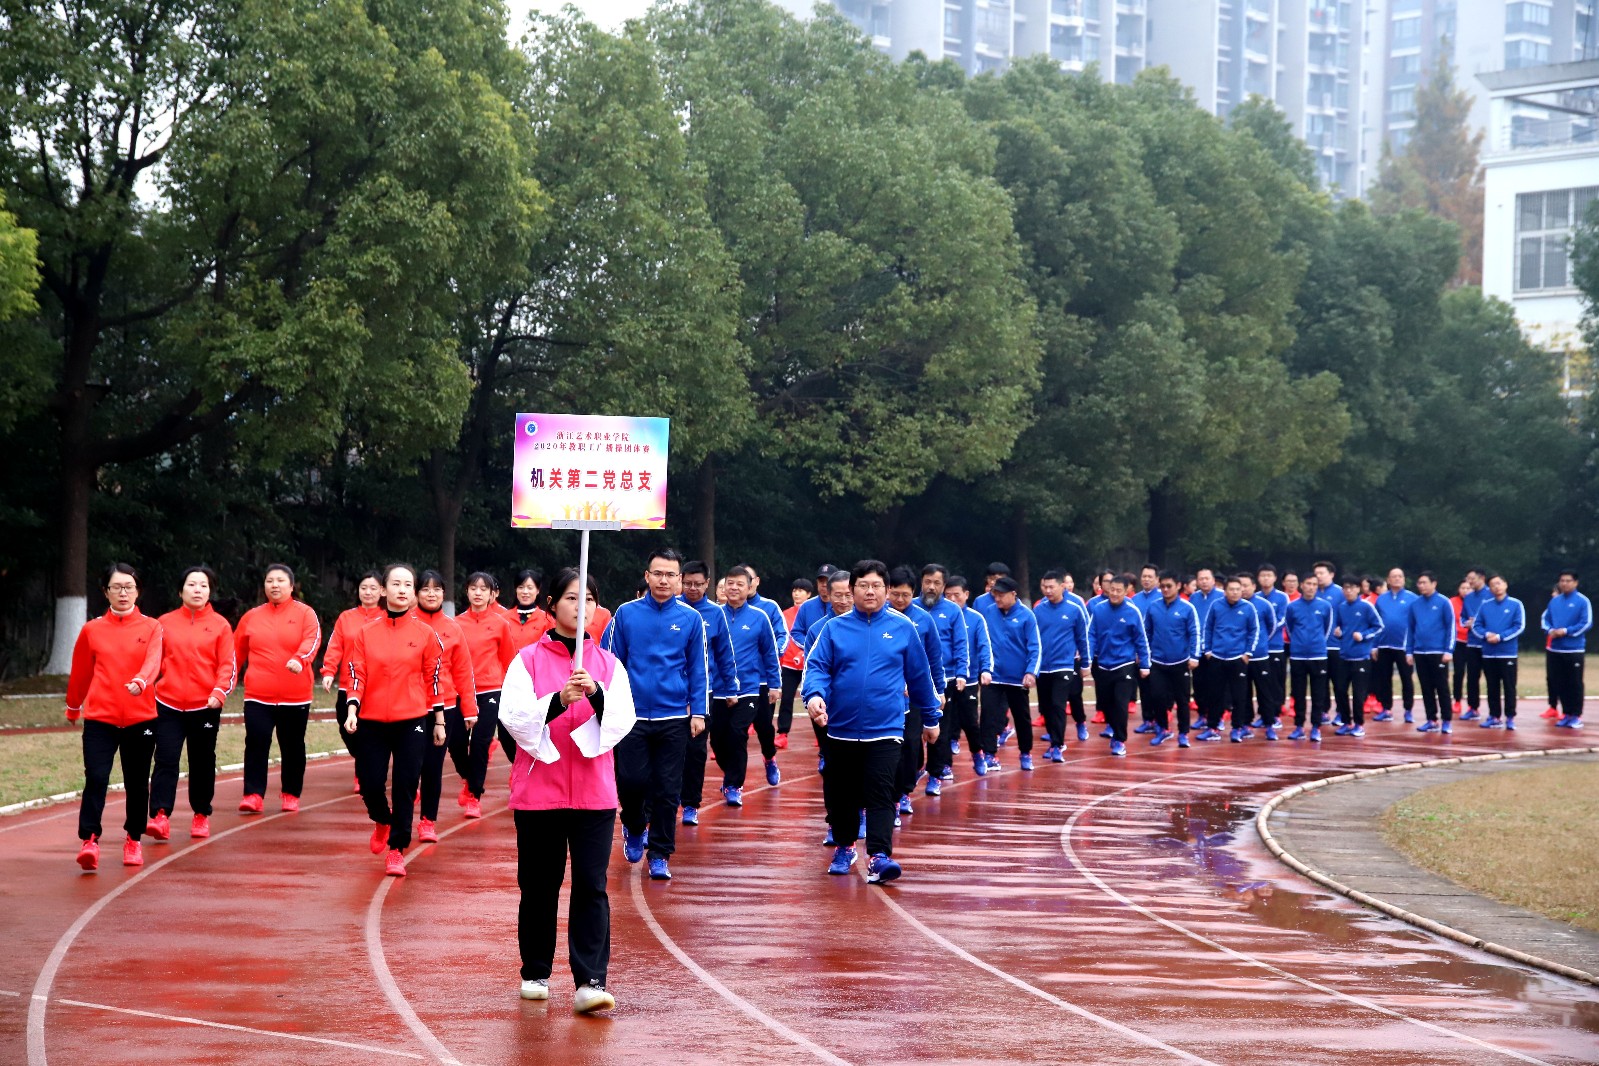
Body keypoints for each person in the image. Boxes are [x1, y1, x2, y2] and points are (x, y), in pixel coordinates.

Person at [500, 567, 635, 1014]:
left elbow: (622, 720)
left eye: (589, 599)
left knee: (592, 886)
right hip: (540, 792)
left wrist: (595, 695)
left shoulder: (608, 664)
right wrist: (558, 701)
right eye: (573, 598)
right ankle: (535, 971)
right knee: (539, 885)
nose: (582, 607)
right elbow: (514, 719)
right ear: (552, 605)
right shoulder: (527, 661)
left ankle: (591, 981)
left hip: (594, 793)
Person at [804, 560, 940, 884]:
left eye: (876, 586)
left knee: (881, 792)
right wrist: (814, 696)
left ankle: (879, 856)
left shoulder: (903, 628)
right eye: (863, 585)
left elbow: (920, 677)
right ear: (852, 590)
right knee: (842, 796)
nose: (870, 591)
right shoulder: (834, 629)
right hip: (841, 728)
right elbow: (817, 667)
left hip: (886, 729)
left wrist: (931, 717)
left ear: (887, 590)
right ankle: (845, 846)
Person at [602, 549, 707, 882]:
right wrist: (608, 706)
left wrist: (699, 712)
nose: (664, 580)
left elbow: (698, 669)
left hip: (673, 716)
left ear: (679, 580)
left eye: (670, 575)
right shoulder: (626, 614)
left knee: (668, 789)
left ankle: (660, 853)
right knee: (631, 781)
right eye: (658, 573)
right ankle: (634, 826)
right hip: (631, 716)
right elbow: (611, 663)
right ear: (647, 576)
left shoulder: (691, 619)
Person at [344, 563, 447, 877]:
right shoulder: (365, 633)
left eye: (408, 585)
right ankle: (381, 820)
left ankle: (396, 849)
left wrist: (439, 721)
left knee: (405, 785)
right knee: (370, 783)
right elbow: (357, 674)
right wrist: (352, 709)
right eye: (396, 584)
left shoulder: (425, 633)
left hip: (412, 720)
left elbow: (433, 678)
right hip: (371, 719)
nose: (402, 590)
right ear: (383, 590)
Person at [65, 563, 164, 870]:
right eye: (116, 587)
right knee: (96, 778)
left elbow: (154, 661)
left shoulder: (152, 627)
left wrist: (141, 681)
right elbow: (81, 671)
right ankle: (89, 840)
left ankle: (133, 839)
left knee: (137, 782)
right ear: (105, 592)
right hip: (100, 719)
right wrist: (73, 705)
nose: (123, 593)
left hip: (141, 718)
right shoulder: (92, 629)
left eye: (129, 587)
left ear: (138, 591)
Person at [148, 565, 236, 843]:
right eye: (191, 585)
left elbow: (228, 665)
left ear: (210, 592)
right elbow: (152, 661)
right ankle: (160, 815)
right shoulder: (163, 623)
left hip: (205, 706)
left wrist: (219, 693)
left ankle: (201, 813)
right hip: (168, 704)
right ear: (180, 591)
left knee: (202, 761)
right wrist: (145, 686)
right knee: (165, 758)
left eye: (203, 585)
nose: (197, 590)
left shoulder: (221, 626)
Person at [233, 563, 321, 814]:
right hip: (257, 695)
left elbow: (313, 639)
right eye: (270, 581)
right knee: (256, 741)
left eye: (281, 581)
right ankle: (253, 794)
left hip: (295, 696)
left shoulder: (305, 614)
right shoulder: (252, 616)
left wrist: (300, 659)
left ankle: (291, 793)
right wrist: (225, 683)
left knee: (292, 745)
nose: (275, 585)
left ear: (291, 586)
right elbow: (235, 653)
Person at [415, 571, 478, 843]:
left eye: (437, 589)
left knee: (433, 765)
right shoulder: (408, 623)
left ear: (444, 593)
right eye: (425, 589)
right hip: (411, 705)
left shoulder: (452, 628)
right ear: (416, 593)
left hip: (446, 706)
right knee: (411, 763)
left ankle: (428, 821)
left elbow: (463, 671)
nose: (431, 594)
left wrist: (470, 708)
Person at [715, 565, 783, 805]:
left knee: (738, 733)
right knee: (717, 740)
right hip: (718, 690)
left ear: (749, 587)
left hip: (749, 689)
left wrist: (775, 684)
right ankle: (730, 774)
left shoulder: (759, 616)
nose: (734, 588)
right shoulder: (713, 615)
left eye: (739, 584)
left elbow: (769, 653)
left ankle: (734, 785)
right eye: (730, 583)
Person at [679, 560, 738, 826]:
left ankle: (691, 803)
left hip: (704, 692)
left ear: (707, 584)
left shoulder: (715, 614)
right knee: (670, 750)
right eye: (688, 583)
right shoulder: (673, 608)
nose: (692, 588)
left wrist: (731, 688)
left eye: (698, 584)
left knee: (696, 750)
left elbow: (725, 654)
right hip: (672, 693)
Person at [457, 571, 519, 815]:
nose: (478, 593)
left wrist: (513, 691)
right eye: (474, 588)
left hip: (491, 689)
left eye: (483, 589)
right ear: (466, 591)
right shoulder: (456, 623)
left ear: (492, 594)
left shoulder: (500, 624)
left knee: (481, 743)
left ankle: (474, 795)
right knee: (456, 743)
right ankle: (468, 777)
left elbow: (509, 660)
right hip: (461, 690)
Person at [886, 568, 946, 812]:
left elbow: (934, 660)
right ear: (887, 591)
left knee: (911, 744)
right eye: (895, 594)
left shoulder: (923, 620)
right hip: (886, 695)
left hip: (915, 695)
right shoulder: (879, 616)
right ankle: (887, 797)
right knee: (888, 747)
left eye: (906, 595)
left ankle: (903, 793)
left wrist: (938, 691)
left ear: (914, 593)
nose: (900, 600)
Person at [321, 570, 384, 792]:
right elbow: (335, 646)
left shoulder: (387, 617)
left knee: (369, 731)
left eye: (373, 588)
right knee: (345, 726)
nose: (368, 592)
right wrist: (329, 671)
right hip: (348, 685)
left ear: (382, 591)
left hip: (376, 687)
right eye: (363, 588)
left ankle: (363, 773)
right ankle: (365, 761)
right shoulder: (346, 618)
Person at [975, 575, 1039, 772]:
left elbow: (1035, 647)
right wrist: (983, 668)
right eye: (995, 594)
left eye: (1001, 595)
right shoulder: (988, 612)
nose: (997, 599)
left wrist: (1031, 672)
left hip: (1017, 679)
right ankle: (989, 754)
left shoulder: (1027, 616)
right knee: (988, 715)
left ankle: (1025, 752)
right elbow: (982, 642)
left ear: (1013, 594)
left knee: (1022, 718)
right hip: (992, 676)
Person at [916, 564, 968, 790]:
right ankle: (915, 769)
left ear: (944, 586)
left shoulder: (953, 611)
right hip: (914, 681)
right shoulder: (910, 607)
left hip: (943, 681)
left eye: (936, 583)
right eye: (927, 582)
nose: (931, 587)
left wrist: (961, 673)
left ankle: (935, 775)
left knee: (940, 731)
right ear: (921, 583)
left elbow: (961, 644)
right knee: (913, 732)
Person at [1087, 575, 1151, 757]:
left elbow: (1141, 639)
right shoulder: (1099, 609)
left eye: (1118, 591)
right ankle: (1113, 727)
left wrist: (1145, 664)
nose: (1114, 593)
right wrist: (1087, 659)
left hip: (1125, 664)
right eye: (1112, 590)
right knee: (1106, 703)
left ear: (1126, 591)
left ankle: (1120, 739)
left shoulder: (1132, 611)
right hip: (1103, 664)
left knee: (1121, 704)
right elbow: (1091, 635)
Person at [936, 576, 991, 780]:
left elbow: (984, 646)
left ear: (966, 595)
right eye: (948, 595)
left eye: (956, 595)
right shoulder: (939, 614)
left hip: (968, 679)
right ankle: (945, 764)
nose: (952, 599)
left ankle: (977, 752)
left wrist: (986, 669)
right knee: (945, 724)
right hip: (945, 678)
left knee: (970, 722)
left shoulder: (976, 618)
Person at [1034, 570, 1089, 761]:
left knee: (1058, 705)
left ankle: (1057, 745)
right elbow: (1032, 639)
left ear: (1062, 587)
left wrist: (1085, 663)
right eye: (1045, 587)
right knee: (1047, 707)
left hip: (1064, 665)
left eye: (1052, 587)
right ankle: (1053, 739)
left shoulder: (1074, 609)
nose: (1048, 590)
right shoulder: (1038, 610)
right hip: (1043, 667)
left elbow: (1082, 638)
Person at [1143, 570, 1199, 748]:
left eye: (1169, 586)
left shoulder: (1187, 608)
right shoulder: (1153, 607)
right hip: (1158, 662)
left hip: (1180, 662)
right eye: (1163, 586)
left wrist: (1194, 656)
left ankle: (1183, 733)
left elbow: (1195, 633)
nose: (1165, 589)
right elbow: (1146, 633)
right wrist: (1144, 655)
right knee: (1157, 697)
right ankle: (1163, 729)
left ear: (1178, 586)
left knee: (1182, 700)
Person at [1198, 577, 1257, 742]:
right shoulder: (1216, 606)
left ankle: (1237, 728)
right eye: (1231, 589)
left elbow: (1254, 630)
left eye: (1238, 589)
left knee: (1239, 696)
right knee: (1214, 695)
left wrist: (1247, 653)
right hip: (1217, 657)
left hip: (1238, 658)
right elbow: (1208, 628)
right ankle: (1213, 727)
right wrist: (1207, 650)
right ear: (1225, 591)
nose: (1235, 592)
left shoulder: (1248, 608)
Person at [1283, 574, 1335, 741]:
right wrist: (1298, 643)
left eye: (1314, 584)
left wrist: (1317, 643)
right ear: (1302, 585)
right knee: (1298, 693)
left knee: (1318, 693)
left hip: (1318, 655)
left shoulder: (1325, 606)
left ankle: (1316, 727)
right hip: (1298, 656)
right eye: (1308, 584)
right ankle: (1299, 726)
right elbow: (1289, 628)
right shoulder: (1292, 607)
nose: (1311, 587)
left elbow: (1327, 629)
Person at [1331, 576, 1384, 737]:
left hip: (1361, 657)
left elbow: (1379, 627)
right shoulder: (1341, 607)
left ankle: (1359, 724)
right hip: (1344, 656)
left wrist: (1363, 635)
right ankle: (1346, 722)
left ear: (1358, 589)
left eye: (1352, 588)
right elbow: (1339, 626)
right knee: (1340, 690)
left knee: (1359, 694)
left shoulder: (1366, 606)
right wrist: (1338, 633)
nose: (1348, 591)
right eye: (1345, 588)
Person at [1405, 571, 1457, 734]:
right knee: (1426, 688)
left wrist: (1448, 650)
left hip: (1438, 651)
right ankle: (1431, 719)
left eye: (1424, 582)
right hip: (1420, 652)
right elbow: (1410, 629)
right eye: (1419, 583)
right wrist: (1409, 651)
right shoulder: (1415, 604)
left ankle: (1446, 720)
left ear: (1434, 584)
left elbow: (1451, 627)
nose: (1421, 586)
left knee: (1442, 687)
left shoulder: (1444, 602)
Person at [1472, 574, 1525, 730]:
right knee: (1492, 686)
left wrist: (1500, 637)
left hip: (1507, 653)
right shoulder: (1485, 606)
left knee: (1509, 686)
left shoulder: (1516, 604)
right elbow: (1476, 626)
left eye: (1499, 583)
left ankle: (1510, 717)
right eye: (1492, 585)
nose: (1496, 587)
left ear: (1505, 584)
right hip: (1489, 653)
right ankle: (1494, 716)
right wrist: (1486, 635)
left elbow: (1519, 626)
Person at [1543, 570, 1590, 729]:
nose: (1564, 583)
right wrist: (1550, 631)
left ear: (1575, 582)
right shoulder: (1554, 602)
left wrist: (1566, 631)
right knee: (1560, 683)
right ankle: (1566, 713)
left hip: (1573, 650)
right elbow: (1545, 620)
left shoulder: (1582, 601)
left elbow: (1586, 623)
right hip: (1555, 650)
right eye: (1562, 580)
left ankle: (1576, 715)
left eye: (1568, 581)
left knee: (1574, 683)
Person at [1237, 573, 1280, 741]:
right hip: (1240, 657)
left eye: (1246, 585)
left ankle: (1269, 725)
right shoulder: (1234, 605)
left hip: (1260, 656)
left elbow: (1272, 626)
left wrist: (1260, 643)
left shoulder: (1264, 604)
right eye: (1239, 586)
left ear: (1254, 587)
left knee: (1265, 692)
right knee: (1243, 693)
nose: (1243, 589)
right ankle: (1245, 725)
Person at [1372, 568, 1418, 723]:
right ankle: (1386, 708)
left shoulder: (1413, 598)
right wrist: (1374, 646)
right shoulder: (1381, 599)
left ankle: (1408, 709)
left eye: (1400, 576)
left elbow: (1416, 623)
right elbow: (1376, 623)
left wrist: (1412, 647)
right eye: (1394, 576)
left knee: (1406, 678)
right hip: (1384, 645)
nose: (1397, 579)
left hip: (1404, 646)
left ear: (1404, 579)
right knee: (1384, 679)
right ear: (1388, 580)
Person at [776, 578, 816, 747]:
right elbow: (783, 637)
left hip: (810, 664)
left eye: (801, 590)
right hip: (789, 665)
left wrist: (804, 653)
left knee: (815, 698)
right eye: (794, 590)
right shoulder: (785, 614)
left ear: (809, 594)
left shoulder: (813, 613)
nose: (796, 593)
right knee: (786, 699)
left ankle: (821, 734)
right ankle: (782, 734)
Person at [1188, 568, 1225, 737]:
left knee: (1216, 685)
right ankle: (1202, 714)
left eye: (1207, 578)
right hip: (1198, 649)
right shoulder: (1194, 598)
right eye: (1200, 579)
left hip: (1216, 649)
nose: (1204, 581)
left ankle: (1217, 717)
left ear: (1213, 580)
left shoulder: (1222, 596)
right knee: (1199, 684)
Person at [1457, 567, 1489, 719]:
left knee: (1491, 679)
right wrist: (1467, 623)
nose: (1469, 582)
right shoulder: (1468, 597)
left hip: (1488, 644)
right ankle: (1472, 707)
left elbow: (1495, 618)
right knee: (1472, 677)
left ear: (1482, 578)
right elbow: (1462, 618)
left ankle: (1494, 712)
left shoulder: (1491, 595)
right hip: (1472, 643)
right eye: (1468, 579)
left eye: (1472, 579)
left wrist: (1476, 623)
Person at [508, 569, 550, 650]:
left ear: (538, 590)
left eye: (530, 588)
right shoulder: (503, 619)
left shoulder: (547, 620)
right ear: (516, 589)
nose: (525, 591)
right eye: (521, 587)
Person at [1450, 579, 1471, 715]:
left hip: (1473, 643)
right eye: (1463, 588)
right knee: (1458, 672)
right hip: (1458, 642)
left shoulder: (1477, 601)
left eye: (1468, 588)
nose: (1465, 591)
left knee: (1473, 674)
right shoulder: (1452, 602)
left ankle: (1472, 704)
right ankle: (1457, 701)